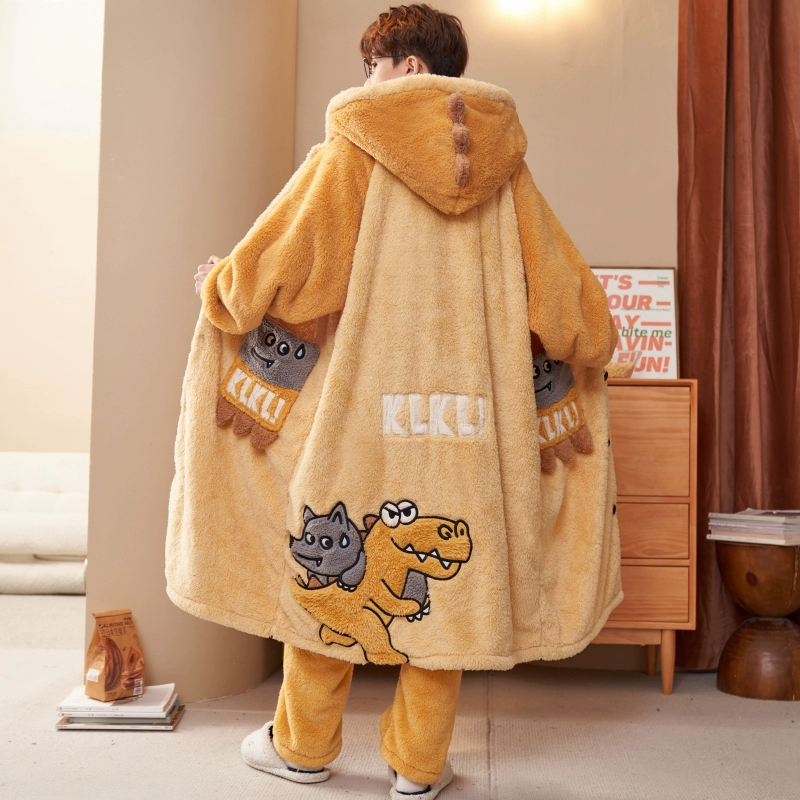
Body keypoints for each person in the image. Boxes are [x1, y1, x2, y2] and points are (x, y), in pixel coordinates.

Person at [173, 5, 621, 799]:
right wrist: (591, 343)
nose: (365, 81)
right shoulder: (508, 169)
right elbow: (564, 301)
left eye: (373, 65)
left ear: (410, 67)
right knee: (452, 588)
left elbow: (291, 258)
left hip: (362, 413)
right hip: (468, 427)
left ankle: (302, 746)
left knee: (328, 574)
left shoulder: (355, 144)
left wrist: (222, 286)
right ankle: (417, 767)